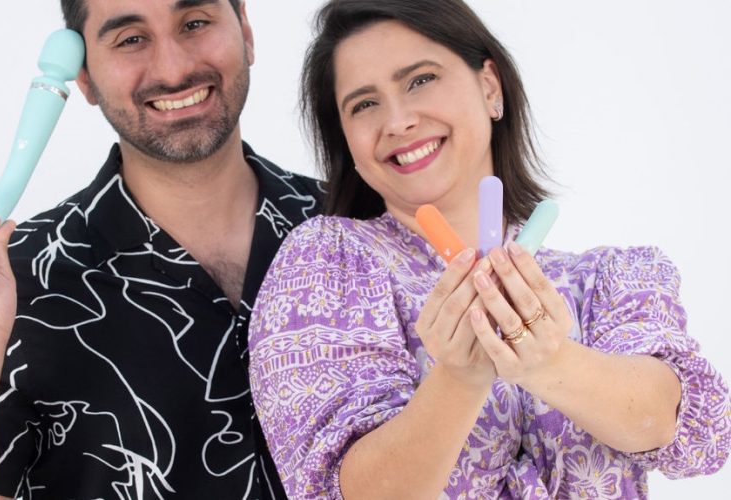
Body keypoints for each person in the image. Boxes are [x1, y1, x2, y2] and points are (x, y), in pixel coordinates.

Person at [247, 0, 731, 498]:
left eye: (420, 80)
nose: (398, 120)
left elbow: (689, 431)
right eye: (364, 104)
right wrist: (458, 379)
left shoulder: (608, 278)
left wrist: (550, 362)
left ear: (490, 87)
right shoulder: (328, 265)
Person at [0, 1, 322, 498]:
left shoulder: (360, 229)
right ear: (85, 77)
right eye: (131, 40)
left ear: (245, 29)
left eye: (195, 23)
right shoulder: (14, 282)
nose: (174, 70)